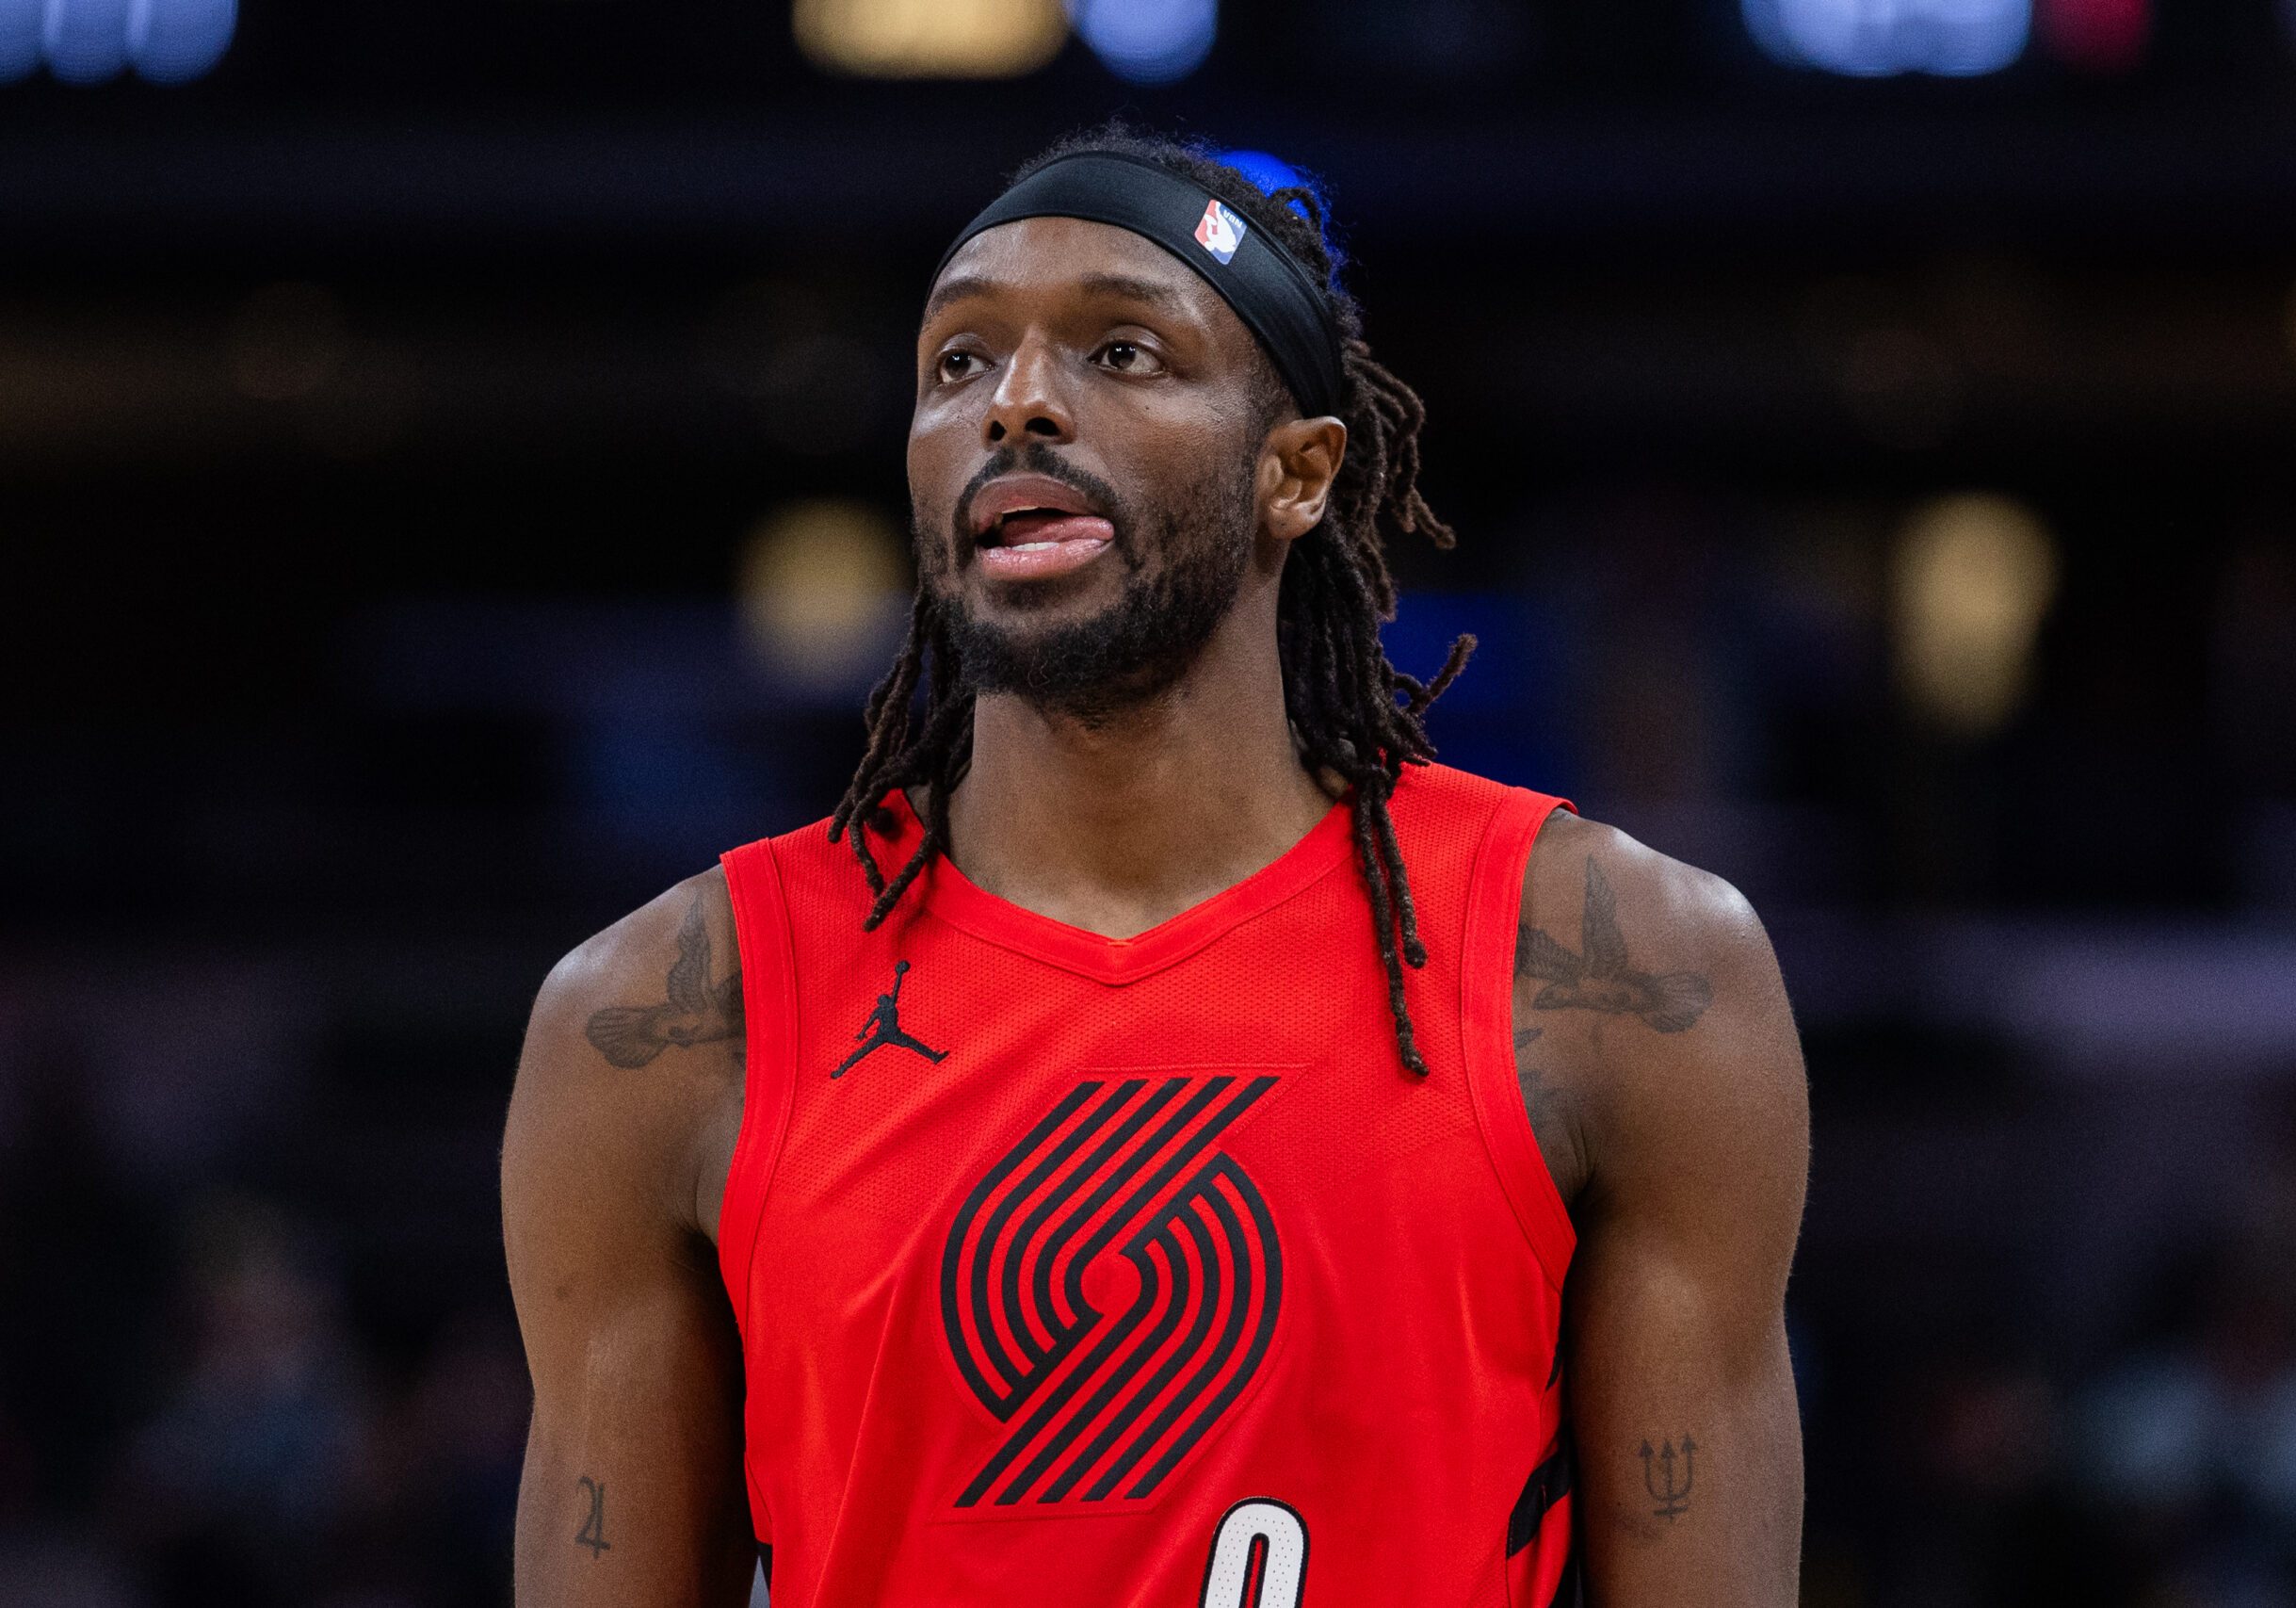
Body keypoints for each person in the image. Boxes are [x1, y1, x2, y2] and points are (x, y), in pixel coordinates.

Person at [502, 128, 1810, 1607]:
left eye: (1121, 351)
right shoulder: (668, 1020)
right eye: (956, 363)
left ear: (1299, 473)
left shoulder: (1622, 972)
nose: (1017, 405)